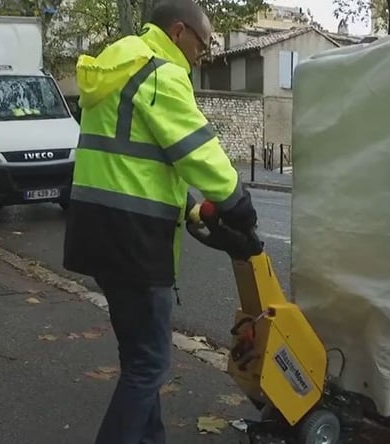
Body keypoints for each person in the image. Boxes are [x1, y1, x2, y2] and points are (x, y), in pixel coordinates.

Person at [62, 0, 258, 443]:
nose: (202, 55)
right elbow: (197, 149)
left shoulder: (119, 63)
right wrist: (237, 205)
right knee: (148, 365)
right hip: (136, 241)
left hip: (99, 233)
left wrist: (188, 207)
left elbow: (137, 161)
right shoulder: (159, 73)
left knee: (139, 360)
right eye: (203, 44)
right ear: (178, 32)